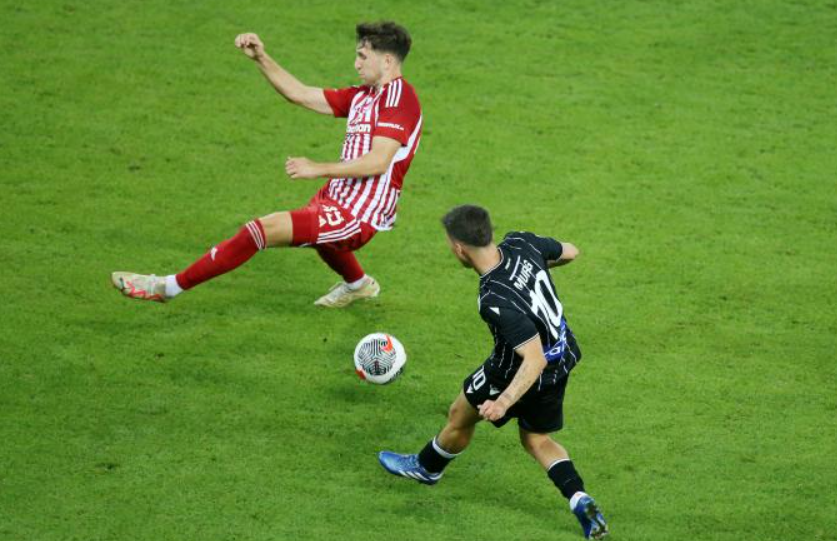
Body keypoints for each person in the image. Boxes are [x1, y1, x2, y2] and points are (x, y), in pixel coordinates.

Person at [112, 21, 422, 308]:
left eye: (362, 57)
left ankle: (167, 287)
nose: (356, 64)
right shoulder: (364, 97)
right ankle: (359, 285)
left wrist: (317, 168)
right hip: (338, 195)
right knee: (320, 237)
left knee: (259, 231)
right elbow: (300, 94)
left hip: (360, 213)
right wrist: (261, 58)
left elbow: (378, 161)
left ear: (386, 61)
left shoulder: (400, 98)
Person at [378, 205, 609, 539]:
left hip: (513, 369)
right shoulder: (521, 242)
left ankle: (427, 467)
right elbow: (570, 251)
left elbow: (533, 360)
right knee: (537, 439)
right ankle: (579, 498)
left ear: (460, 249)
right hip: (561, 358)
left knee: (459, 414)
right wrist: (533, 269)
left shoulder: (494, 298)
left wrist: (503, 402)